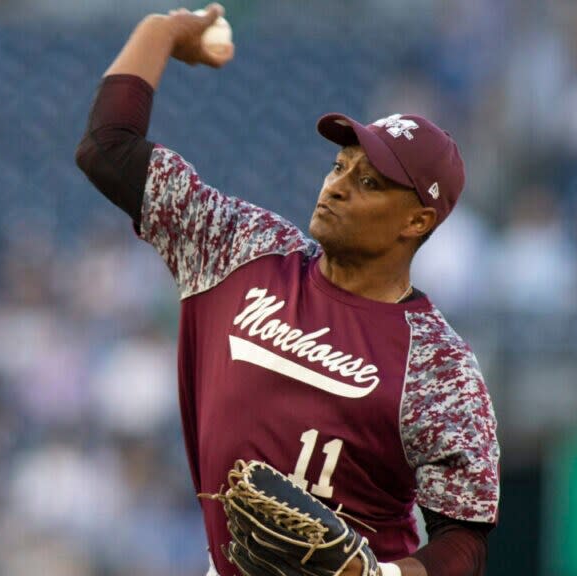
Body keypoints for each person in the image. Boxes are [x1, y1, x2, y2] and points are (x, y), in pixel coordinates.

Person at [74, 5, 500, 576]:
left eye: (369, 182)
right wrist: (162, 31)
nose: (337, 187)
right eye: (340, 165)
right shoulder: (243, 249)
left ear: (416, 222)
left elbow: (464, 541)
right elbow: (107, 149)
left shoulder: (438, 366)